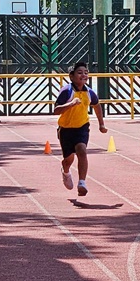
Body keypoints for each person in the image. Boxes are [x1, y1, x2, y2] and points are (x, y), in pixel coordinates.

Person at [53, 62, 107, 196]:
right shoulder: (67, 91)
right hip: (66, 129)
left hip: (82, 127)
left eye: (86, 73)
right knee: (68, 160)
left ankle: (82, 182)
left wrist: (101, 124)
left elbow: (96, 105)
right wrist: (71, 104)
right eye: (80, 73)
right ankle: (65, 171)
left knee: (82, 151)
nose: (83, 75)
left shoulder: (89, 92)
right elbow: (56, 110)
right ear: (71, 76)